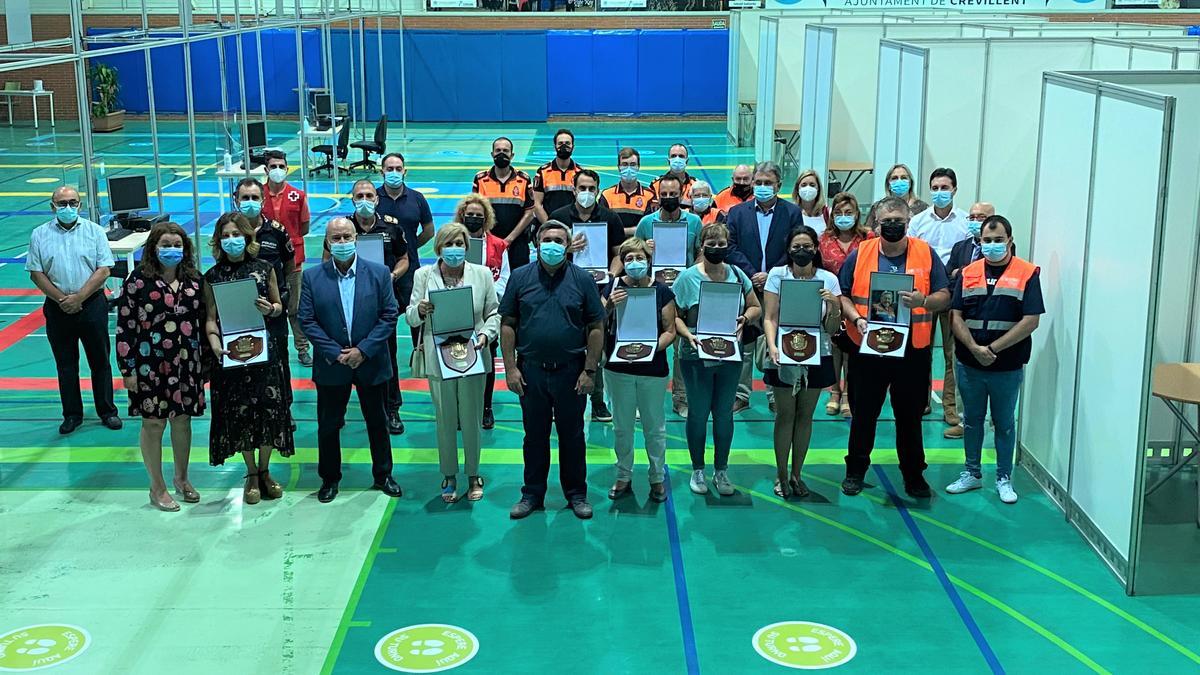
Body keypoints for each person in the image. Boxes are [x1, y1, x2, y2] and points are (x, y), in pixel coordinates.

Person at [838, 197, 951, 499]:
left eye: (897, 222)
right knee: (863, 413)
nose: (892, 227)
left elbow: (944, 294)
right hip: (868, 347)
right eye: (886, 222)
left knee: (910, 416)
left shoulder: (926, 254)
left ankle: (914, 476)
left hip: (913, 350)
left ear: (908, 222)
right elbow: (844, 295)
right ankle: (855, 470)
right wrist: (856, 318)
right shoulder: (860, 253)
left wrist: (923, 301)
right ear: (876, 223)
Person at [500, 220, 604, 520]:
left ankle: (576, 494)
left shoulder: (583, 279)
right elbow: (508, 324)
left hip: (571, 373)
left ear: (568, 245)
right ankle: (532, 493)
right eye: (547, 239)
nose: (553, 245)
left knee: (572, 435)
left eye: (559, 240)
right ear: (536, 243)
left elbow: (596, 326)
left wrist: (590, 371)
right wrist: (510, 368)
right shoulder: (520, 278)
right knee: (534, 436)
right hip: (530, 372)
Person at [299, 217, 402, 504]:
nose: (342, 243)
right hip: (332, 366)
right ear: (326, 243)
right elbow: (306, 319)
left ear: (356, 239)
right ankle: (329, 479)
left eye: (346, 237)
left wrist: (363, 350)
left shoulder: (379, 273)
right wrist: (335, 353)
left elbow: (389, 316)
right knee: (329, 425)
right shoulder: (311, 277)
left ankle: (383, 475)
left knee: (378, 422)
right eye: (336, 238)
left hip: (370, 362)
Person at [946, 215, 1042, 505]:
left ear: (1010, 241)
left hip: (1007, 365)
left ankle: (1003, 478)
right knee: (972, 421)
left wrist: (993, 349)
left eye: (998, 240)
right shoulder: (969, 272)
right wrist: (975, 348)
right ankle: (972, 473)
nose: (992, 245)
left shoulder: (1027, 273)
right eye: (987, 240)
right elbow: (956, 315)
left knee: (1003, 423)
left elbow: (1030, 321)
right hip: (970, 363)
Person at [204, 213, 295, 504]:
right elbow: (210, 320)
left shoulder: (264, 268)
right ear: (219, 241)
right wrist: (215, 344)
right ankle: (252, 472)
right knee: (240, 413)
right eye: (226, 235)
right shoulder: (212, 277)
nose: (232, 240)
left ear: (247, 237)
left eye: (236, 234)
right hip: (232, 356)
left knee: (268, 409)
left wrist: (270, 309)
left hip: (264, 353)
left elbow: (280, 308)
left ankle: (267, 469)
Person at [115, 222, 206, 512]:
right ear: (153, 247)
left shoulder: (194, 280)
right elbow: (125, 327)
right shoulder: (138, 280)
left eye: (177, 245)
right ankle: (157, 486)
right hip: (149, 365)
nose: (171, 250)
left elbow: (205, 323)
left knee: (182, 421)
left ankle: (182, 478)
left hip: (186, 363)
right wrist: (127, 370)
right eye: (165, 244)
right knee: (153, 424)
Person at [406, 223, 500, 503]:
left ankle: (473, 473)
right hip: (438, 357)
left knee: (471, 418)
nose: (454, 249)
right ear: (439, 248)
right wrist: (420, 310)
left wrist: (485, 335)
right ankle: (448, 474)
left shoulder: (482, 275)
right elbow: (410, 316)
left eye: (459, 244)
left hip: (473, 353)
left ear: (466, 247)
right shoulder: (423, 275)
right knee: (445, 419)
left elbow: (494, 313)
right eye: (449, 244)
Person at [673, 222, 761, 496]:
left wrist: (745, 319)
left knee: (724, 413)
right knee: (698, 413)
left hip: (729, 354)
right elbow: (673, 315)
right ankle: (697, 469)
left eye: (722, 244)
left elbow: (756, 306)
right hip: (695, 354)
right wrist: (687, 334)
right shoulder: (687, 278)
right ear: (702, 246)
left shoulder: (737, 274)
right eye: (711, 244)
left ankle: (721, 470)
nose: (717, 248)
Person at [27, 185, 121, 434]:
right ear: (52, 206)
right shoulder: (39, 235)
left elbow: (104, 270)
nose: (68, 207)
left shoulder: (95, 232)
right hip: (57, 308)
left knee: (100, 361)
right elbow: (36, 274)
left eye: (73, 202)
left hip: (92, 305)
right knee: (66, 365)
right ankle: (72, 414)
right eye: (62, 203)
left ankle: (107, 411)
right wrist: (62, 300)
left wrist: (79, 297)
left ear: (80, 205)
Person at [762, 225, 842, 498]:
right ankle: (781, 474)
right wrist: (772, 346)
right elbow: (769, 317)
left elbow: (832, 328)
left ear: (816, 249)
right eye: (796, 246)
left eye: (807, 246)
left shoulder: (829, 279)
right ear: (788, 250)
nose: (801, 250)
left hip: (817, 353)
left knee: (805, 416)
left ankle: (798, 474)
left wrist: (834, 305)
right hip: (783, 353)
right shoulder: (777, 275)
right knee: (785, 415)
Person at [601, 237, 677, 503]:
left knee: (654, 427)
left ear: (649, 260)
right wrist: (609, 305)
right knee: (621, 427)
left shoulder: (663, 291)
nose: (635, 263)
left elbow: (670, 330)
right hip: (617, 368)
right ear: (622, 262)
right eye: (629, 259)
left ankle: (657, 477)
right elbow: (597, 322)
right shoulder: (612, 287)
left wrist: (651, 349)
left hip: (653, 369)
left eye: (640, 258)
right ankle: (623, 474)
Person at [725, 161, 802, 414]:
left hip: (778, 284)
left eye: (768, 183)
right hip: (745, 284)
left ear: (779, 186)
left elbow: (795, 247)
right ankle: (741, 394)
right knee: (744, 341)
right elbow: (732, 247)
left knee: (775, 340)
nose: (762, 187)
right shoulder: (737, 213)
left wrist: (770, 275)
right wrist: (753, 274)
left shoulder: (791, 213)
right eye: (758, 182)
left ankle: (773, 393)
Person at [550, 168, 626, 423]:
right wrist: (567, 248)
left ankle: (597, 401)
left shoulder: (610, 217)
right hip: (564, 289)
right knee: (564, 344)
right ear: (574, 190)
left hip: (599, 290)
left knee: (598, 345)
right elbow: (545, 252)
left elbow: (618, 254)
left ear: (597, 190)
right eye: (581, 188)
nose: (586, 193)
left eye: (591, 189)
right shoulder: (559, 218)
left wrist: (612, 278)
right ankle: (558, 401)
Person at [338, 179, 411, 435]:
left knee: (387, 355)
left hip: (382, 304)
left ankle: (392, 409)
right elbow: (328, 259)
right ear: (353, 199)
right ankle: (340, 409)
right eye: (360, 195)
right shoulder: (343, 229)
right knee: (346, 355)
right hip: (349, 303)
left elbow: (404, 259)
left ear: (377, 199)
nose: (365, 199)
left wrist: (391, 275)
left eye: (369, 195)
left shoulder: (391, 227)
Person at [634, 174, 703, 417]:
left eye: (673, 194)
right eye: (664, 194)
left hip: (683, 293)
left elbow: (700, 255)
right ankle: (644, 399)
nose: (668, 198)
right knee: (651, 342)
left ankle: (681, 398)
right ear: (658, 195)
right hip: (655, 292)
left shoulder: (694, 222)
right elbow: (634, 256)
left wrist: (689, 280)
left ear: (682, 193)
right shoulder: (646, 224)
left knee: (683, 347)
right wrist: (646, 250)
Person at [909, 167, 969, 431]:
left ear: (954, 189)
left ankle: (951, 408)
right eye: (935, 188)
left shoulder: (967, 221)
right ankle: (920, 401)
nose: (940, 192)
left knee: (951, 352)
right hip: (925, 293)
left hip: (955, 293)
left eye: (945, 188)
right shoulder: (918, 221)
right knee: (920, 350)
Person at [376, 152, 435, 420]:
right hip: (382, 277)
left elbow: (429, 231)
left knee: (419, 328)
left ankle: (429, 379)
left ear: (405, 171)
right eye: (389, 168)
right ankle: (390, 402)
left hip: (411, 274)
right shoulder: (373, 199)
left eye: (398, 167)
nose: (394, 171)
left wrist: (408, 250)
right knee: (385, 336)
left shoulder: (417, 199)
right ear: (381, 171)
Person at [235, 178, 296, 414]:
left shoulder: (277, 232)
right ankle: (250, 409)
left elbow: (289, 267)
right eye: (244, 198)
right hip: (241, 312)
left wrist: (278, 298)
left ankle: (283, 409)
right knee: (245, 360)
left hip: (274, 311)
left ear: (262, 200)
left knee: (279, 360)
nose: (250, 202)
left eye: (254, 197)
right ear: (236, 200)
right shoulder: (231, 231)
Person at [942, 201, 996, 440]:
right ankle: (963, 421)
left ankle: (995, 423)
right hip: (962, 314)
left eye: (981, 217)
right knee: (959, 366)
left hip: (992, 319)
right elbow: (951, 276)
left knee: (995, 375)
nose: (975, 221)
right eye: (972, 216)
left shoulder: (1001, 249)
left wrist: (964, 273)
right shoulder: (960, 247)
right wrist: (962, 273)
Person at [456, 195, 510, 430]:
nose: (474, 219)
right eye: (470, 215)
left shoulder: (498, 244)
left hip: (487, 311)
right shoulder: (453, 242)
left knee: (486, 360)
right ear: (462, 216)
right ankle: (458, 408)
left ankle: (486, 407)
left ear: (486, 218)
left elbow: (505, 277)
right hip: (457, 310)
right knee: (456, 358)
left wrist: (483, 293)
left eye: (479, 215)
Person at [819, 191, 873, 419]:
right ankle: (834, 391)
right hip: (831, 301)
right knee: (835, 347)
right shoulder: (824, 239)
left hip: (858, 300)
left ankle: (849, 392)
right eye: (839, 212)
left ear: (857, 214)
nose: (844, 217)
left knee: (853, 348)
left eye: (848, 212)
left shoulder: (867, 238)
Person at [261, 150, 313, 366]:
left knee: (295, 307)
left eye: (281, 166)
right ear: (266, 169)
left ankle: (302, 349)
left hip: (293, 262)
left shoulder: (297, 195)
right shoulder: (256, 195)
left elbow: (305, 227)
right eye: (273, 166)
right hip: (263, 262)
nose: (278, 170)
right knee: (265, 306)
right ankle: (262, 347)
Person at [473, 136, 536, 269]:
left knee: (519, 279)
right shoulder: (480, 179)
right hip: (488, 241)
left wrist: (509, 239)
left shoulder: (524, 179)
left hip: (517, 242)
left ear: (512, 155)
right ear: (492, 154)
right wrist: (491, 238)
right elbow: (475, 211)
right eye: (498, 150)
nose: (501, 154)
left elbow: (529, 212)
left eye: (505, 151)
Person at [599, 147, 655, 237]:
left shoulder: (650, 195)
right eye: (624, 164)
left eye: (633, 164)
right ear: (618, 167)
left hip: (639, 248)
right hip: (613, 247)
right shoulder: (606, 195)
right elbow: (603, 227)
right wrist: (634, 230)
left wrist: (618, 231)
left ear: (638, 167)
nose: (629, 168)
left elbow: (648, 228)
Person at [532, 128, 582, 226]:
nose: (564, 146)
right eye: (560, 143)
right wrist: (550, 226)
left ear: (573, 147)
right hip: (549, 227)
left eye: (567, 143)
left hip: (573, 227)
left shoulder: (580, 173)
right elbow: (536, 204)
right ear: (555, 146)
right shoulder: (543, 172)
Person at [864, 163, 929, 232]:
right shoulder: (877, 207)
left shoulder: (922, 208)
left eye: (904, 177)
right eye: (894, 178)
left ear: (910, 183)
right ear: (888, 184)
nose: (899, 181)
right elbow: (868, 231)